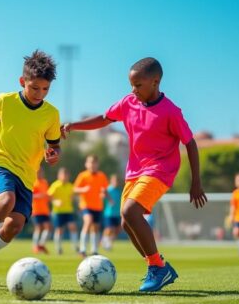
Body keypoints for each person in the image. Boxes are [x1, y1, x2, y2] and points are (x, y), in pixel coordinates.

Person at [62, 57, 207, 292]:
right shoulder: (128, 103)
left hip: (160, 170)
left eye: (138, 85)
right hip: (134, 172)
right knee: (126, 221)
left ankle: (157, 267)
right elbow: (104, 119)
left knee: (131, 211)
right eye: (131, 85)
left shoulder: (171, 112)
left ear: (155, 82)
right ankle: (159, 266)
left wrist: (196, 182)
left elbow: (190, 143)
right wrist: (73, 126)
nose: (133, 90)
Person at [0, 50, 61, 286]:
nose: (40, 94)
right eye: (34, 88)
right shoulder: (4, 101)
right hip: (0, 163)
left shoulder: (52, 114)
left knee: (14, 226)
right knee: (5, 201)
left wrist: (53, 154)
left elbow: (54, 145)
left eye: (45, 89)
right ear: (22, 81)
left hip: (27, 175)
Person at [74, 155, 109, 257]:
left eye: (94, 162)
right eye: (90, 162)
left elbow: (105, 190)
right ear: (86, 164)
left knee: (96, 227)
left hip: (98, 206)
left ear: (97, 164)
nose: (92, 164)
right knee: (88, 221)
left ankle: (94, 250)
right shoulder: (83, 175)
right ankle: (82, 249)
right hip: (86, 205)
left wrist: (104, 194)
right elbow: (75, 189)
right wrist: (83, 189)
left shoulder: (102, 176)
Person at [48, 167, 78, 255]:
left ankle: (75, 246)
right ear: (59, 176)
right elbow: (49, 196)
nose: (64, 176)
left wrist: (74, 198)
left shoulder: (70, 186)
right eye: (63, 175)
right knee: (59, 230)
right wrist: (55, 201)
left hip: (68, 210)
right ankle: (58, 248)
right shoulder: (55, 185)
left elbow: (73, 196)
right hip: (58, 211)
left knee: (73, 227)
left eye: (66, 175)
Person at [31, 168, 52, 254]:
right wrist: (39, 195)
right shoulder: (33, 182)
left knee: (48, 228)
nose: (40, 174)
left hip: (45, 210)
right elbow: (31, 196)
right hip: (36, 210)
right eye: (38, 172)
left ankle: (41, 245)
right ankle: (35, 246)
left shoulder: (45, 182)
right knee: (38, 228)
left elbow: (47, 194)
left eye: (41, 172)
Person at [102, 173, 122, 251]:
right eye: (114, 181)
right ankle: (104, 241)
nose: (116, 182)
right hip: (109, 213)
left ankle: (109, 242)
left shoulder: (119, 191)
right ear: (111, 181)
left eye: (117, 181)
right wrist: (108, 199)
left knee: (118, 230)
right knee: (109, 228)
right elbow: (102, 196)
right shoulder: (108, 190)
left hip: (117, 214)